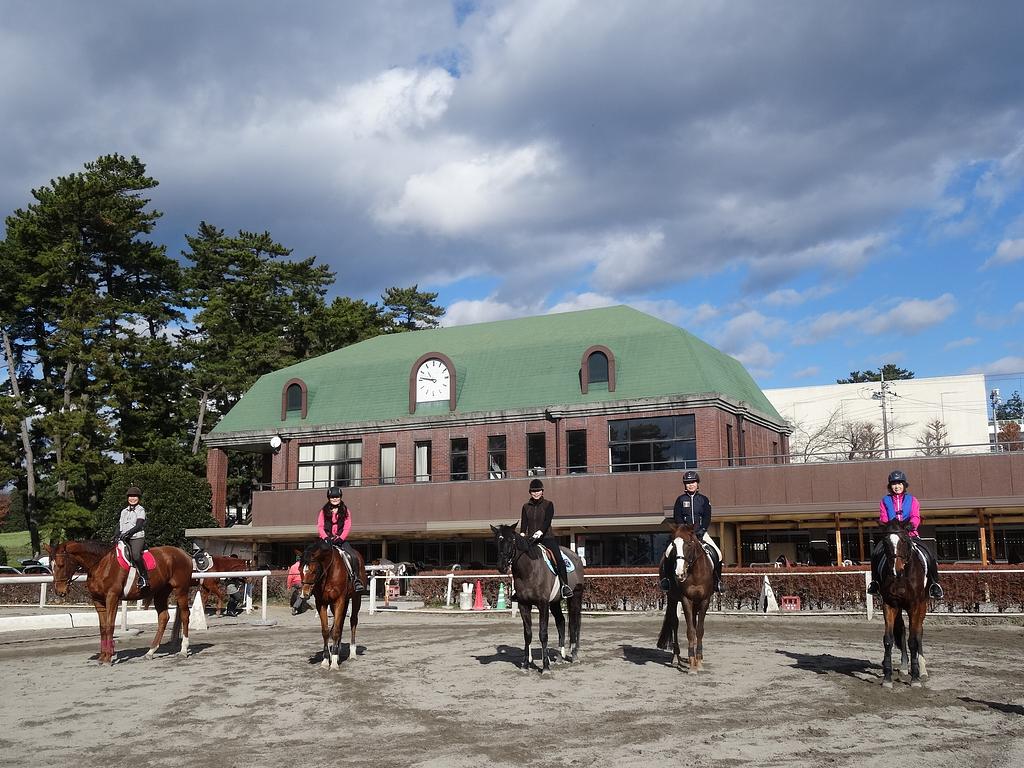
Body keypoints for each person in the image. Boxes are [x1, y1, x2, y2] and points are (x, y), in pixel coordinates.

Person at [868, 470, 943, 599]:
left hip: (910, 534)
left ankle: (934, 584)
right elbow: (884, 517)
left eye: (899, 483)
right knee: (876, 553)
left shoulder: (912, 500)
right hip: (892, 535)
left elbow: (915, 516)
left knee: (929, 554)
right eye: (894, 484)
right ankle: (875, 583)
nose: (897, 486)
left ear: (904, 485)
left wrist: (910, 525)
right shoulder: (885, 500)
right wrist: (889, 527)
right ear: (890, 486)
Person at [660, 470, 723, 592]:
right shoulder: (680, 500)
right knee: (668, 553)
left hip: (701, 533)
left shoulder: (704, 500)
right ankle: (667, 580)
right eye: (688, 483)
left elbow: (707, 517)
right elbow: (677, 517)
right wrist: (684, 531)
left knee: (718, 553)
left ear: (697, 483)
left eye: (693, 482)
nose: (690, 484)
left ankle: (717, 582)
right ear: (685, 485)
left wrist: (702, 530)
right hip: (685, 535)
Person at [519, 478, 574, 599]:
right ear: (530, 492)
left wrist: (540, 532)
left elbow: (547, 521)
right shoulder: (525, 506)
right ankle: (518, 589)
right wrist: (522, 534)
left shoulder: (548, 504)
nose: (536, 493)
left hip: (546, 537)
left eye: (538, 490)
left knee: (558, 559)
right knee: (518, 558)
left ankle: (565, 586)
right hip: (530, 539)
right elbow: (524, 523)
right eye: (533, 491)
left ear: (542, 491)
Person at [316, 486, 364, 593]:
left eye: (337, 497)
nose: (335, 499)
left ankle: (356, 580)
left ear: (340, 497)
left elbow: (347, 526)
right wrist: (326, 538)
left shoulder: (345, 510)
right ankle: (312, 584)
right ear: (329, 498)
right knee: (314, 556)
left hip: (340, 540)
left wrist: (340, 538)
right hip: (326, 540)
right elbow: (320, 526)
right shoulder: (323, 511)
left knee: (353, 556)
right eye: (332, 497)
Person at [118, 485, 149, 589]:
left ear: (139, 498)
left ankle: (144, 577)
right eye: (130, 496)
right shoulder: (124, 511)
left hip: (137, 537)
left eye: (135, 496)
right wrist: (115, 535)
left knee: (135, 555)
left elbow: (139, 525)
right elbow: (119, 526)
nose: (132, 498)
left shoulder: (141, 510)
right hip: (124, 538)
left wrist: (128, 533)